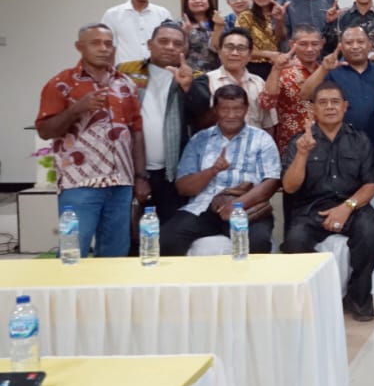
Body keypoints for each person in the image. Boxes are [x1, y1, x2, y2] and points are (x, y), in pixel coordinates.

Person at [36, 24, 146, 258]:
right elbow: (45, 131)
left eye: (108, 44)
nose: (103, 49)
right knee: (73, 251)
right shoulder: (60, 84)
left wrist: (139, 176)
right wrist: (77, 109)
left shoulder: (126, 84)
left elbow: (136, 131)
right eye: (95, 43)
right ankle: (66, 295)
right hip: (80, 182)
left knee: (116, 253)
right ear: (79, 47)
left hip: (120, 183)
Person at [280, 82, 374, 321]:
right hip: (310, 210)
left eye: (335, 102)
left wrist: (346, 208)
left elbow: (371, 184)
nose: (329, 107)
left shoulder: (360, 140)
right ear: (313, 109)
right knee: (294, 241)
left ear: (345, 107)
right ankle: (311, 299)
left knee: (371, 232)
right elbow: (289, 186)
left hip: (352, 206)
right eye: (323, 103)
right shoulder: (300, 141)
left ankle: (359, 297)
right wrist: (303, 154)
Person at [159, 85, 282, 256]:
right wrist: (213, 170)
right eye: (225, 109)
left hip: (246, 207)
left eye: (237, 109)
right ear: (216, 110)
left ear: (246, 109)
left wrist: (237, 205)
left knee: (258, 243)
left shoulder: (261, 139)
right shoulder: (199, 140)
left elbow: (271, 181)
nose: (231, 115)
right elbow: (183, 187)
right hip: (203, 207)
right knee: (166, 240)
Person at [117, 21, 212, 223]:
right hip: (129, 167)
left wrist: (188, 86)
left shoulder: (194, 75)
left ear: (185, 49)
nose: (170, 47)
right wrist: (138, 176)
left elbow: (203, 110)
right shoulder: (127, 71)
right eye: (163, 41)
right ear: (150, 44)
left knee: (169, 235)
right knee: (129, 234)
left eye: (177, 43)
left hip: (174, 171)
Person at [301, 26, 374, 154]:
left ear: (370, 45)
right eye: (349, 43)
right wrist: (323, 69)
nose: (355, 46)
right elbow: (305, 94)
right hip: (338, 149)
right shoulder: (331, 71)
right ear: (341, 46)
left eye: (360, 42)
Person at [262, 23, 324, 155]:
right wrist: (276, 70)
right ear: (292, 44)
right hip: (290, 144)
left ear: (322, 44)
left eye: (314, 44)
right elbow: (266, 103)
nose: (309, 49)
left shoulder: (326, 71)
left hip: (323, 144)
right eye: (303, 44)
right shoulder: (283, 70)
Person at [204, 27, 277, 132]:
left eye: (241, 48)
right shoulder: (207, 81)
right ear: (219, 52)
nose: (234, 53)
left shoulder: (258, 82)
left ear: (249, 55)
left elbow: (268, 124)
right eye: (229, 47)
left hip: (255, 146)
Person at [101, 0, 173, 64]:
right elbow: (108, 47)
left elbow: (170, 44)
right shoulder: (112, 14)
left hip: (157, 71)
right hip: (125, 73)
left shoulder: (163, 13)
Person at [235, 0, 288, 80]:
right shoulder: (245, 16)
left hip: (279, 65)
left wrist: (279, 20)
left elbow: (281, 38)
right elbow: (241, 46)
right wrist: (268, 54)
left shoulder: (280, 12)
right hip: (253, 67)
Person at [180, 0, 225, 71]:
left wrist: (219, 26)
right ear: (186, 3)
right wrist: (184, 33)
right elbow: (176, 52)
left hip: (216, 73)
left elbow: (218, 48)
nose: (198, 1)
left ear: (209, 1)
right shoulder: (180, 24)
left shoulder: (219, 22)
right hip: (190, 73)